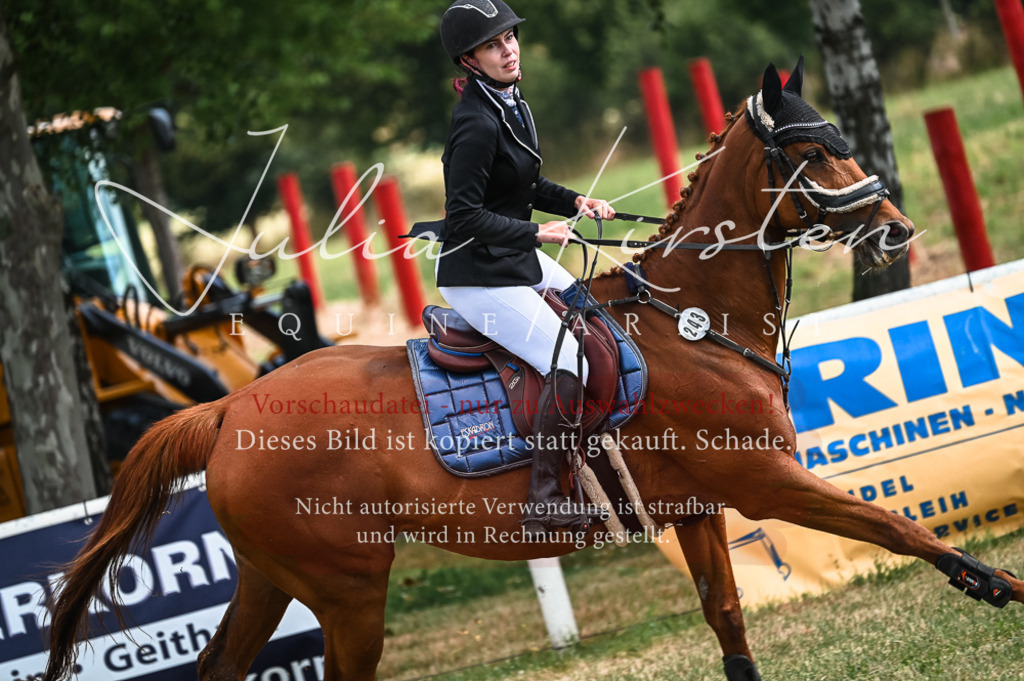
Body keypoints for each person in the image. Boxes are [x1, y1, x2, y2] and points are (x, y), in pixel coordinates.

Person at [437, 0, 614, 539]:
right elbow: (464, 215)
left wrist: (575, 202)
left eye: (509, 37)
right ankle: (543, 499)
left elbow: (525, 186)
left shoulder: (512, 104)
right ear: (470, 60)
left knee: (593, 311)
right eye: (493, 44)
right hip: (475, 274)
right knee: (570, 360)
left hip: (510, 255)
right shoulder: (473, 124)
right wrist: (538, 232)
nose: (508, 49)